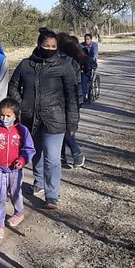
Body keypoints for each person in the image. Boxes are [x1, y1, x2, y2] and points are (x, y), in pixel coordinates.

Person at [8, 30, 79, 209]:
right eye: (46, 46)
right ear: (39, 45)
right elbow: (13, 86)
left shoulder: (64, 66)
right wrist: (21, 105)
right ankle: (38, 183)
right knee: (36, 153)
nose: (49, 49)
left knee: (52, 158)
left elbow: (72, 95)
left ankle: (52, 195)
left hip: (55, 119)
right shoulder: (26, 65)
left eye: (53, 47)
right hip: (30, 118)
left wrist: (72, 122)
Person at [0, 98, 34, 239]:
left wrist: (22, 160)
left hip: (15, 169)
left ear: (15, 116)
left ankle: (19, 212)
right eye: (2, 115)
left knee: (15, 192)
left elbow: (29, 149)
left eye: (8, 116)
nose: (4, 118)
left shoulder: (22, 130)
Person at [58, 34, 87, 168]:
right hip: (69, 101)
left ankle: (77, 153)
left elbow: (74, 87)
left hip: (69, 101)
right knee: (60, 130)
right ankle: (61, 156)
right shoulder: (72, 60)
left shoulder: (70, 62)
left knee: (65, 131)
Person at [80, 34, 99, 101]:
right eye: (85, 39)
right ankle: (83, 94)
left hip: (91, 63)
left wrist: (91, 59)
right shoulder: (81, 45)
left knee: (88, 77)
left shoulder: (94, 45)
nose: (86, 40)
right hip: (83, 63)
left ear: (91, 39)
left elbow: (95, 54)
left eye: (88, 39)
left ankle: (87, 93)